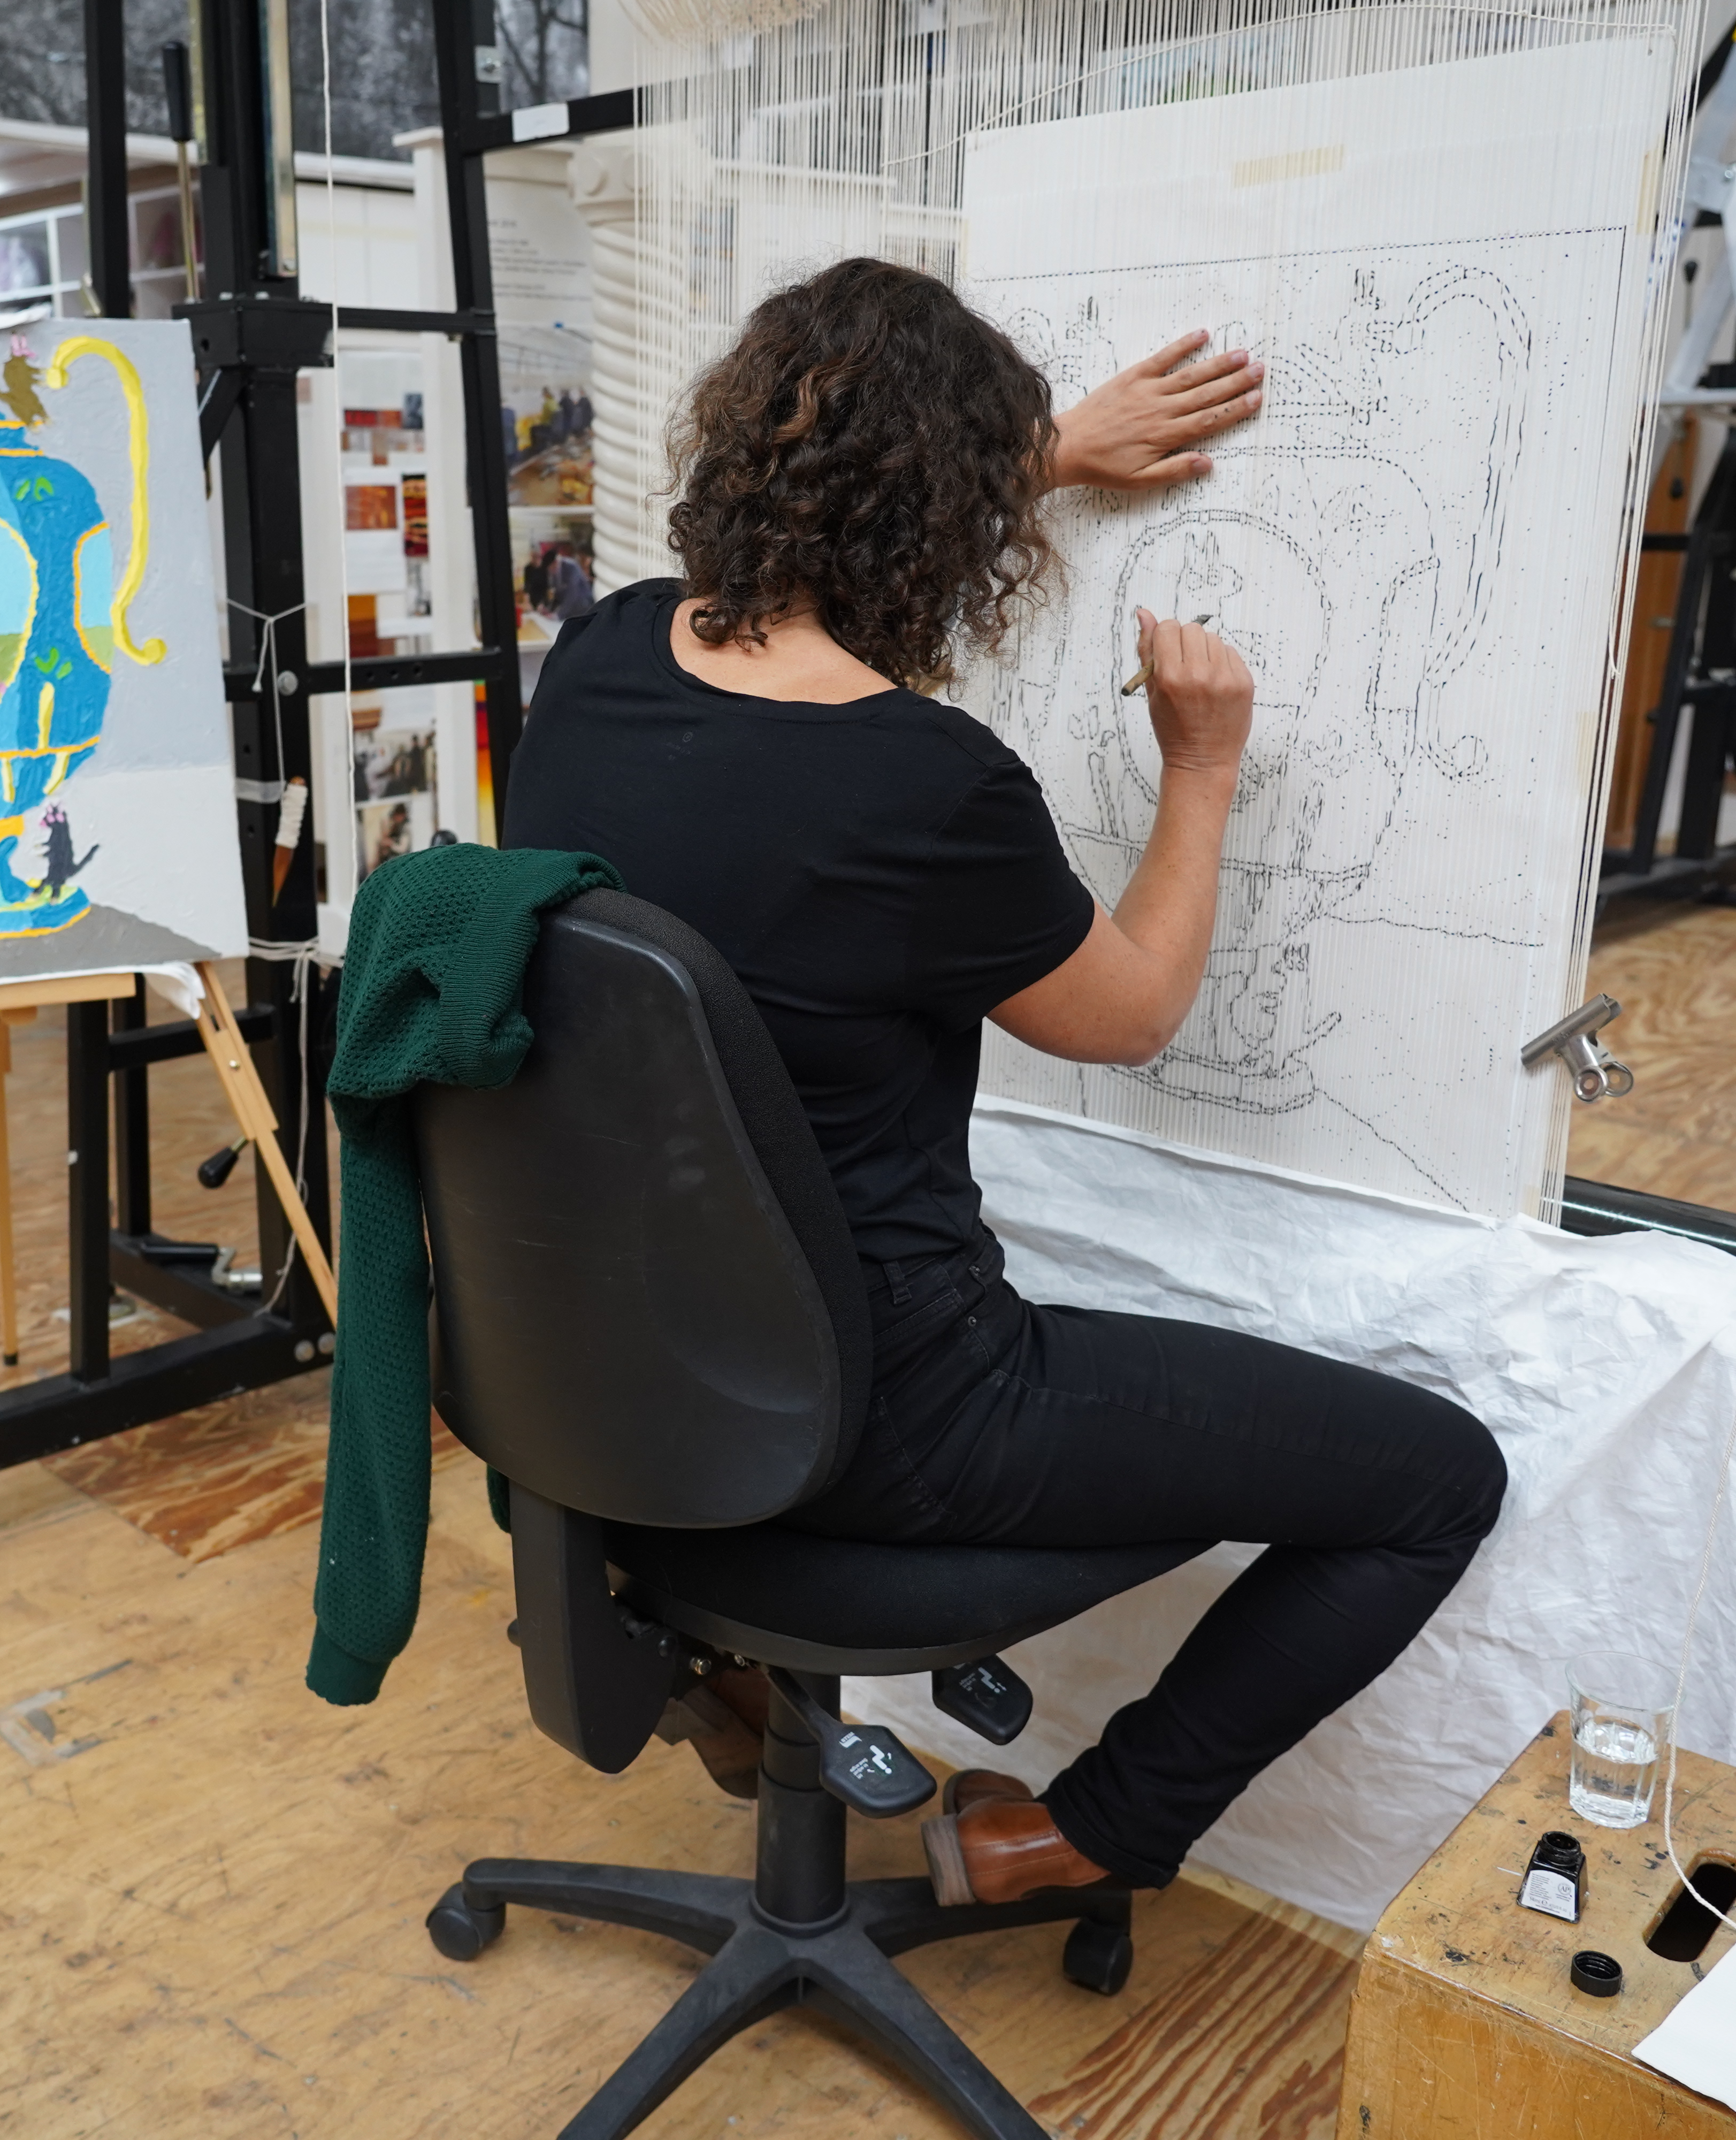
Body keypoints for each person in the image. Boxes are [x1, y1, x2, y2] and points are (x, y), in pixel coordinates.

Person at [498, 258, 1506, 1909]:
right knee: (1432, 1478)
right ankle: (1086, 1833)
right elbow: (1125, 1017)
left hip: (621, 1365)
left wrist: (1029, 449)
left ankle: (734, 1673)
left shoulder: (598, 661)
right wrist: (1200, 764)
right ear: (954, 512)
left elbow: (794, 589)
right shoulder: (924, 785)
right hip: (899, 1412)